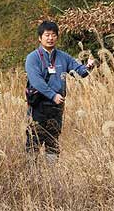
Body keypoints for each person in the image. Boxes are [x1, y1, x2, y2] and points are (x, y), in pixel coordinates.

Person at [25, 21, 94, 163]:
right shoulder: (33, 57)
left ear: (57, 37)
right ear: (40, 37)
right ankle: (32, 177)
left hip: (56, 107)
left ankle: (51, 176)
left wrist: (88, 67)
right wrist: (52, 95)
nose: (50, 38)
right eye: (47, 35)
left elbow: (79, 72)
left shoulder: (63, 57)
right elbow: (36, 81)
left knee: (53, 142)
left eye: (53, 35)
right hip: (38, 106)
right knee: (34, 142)